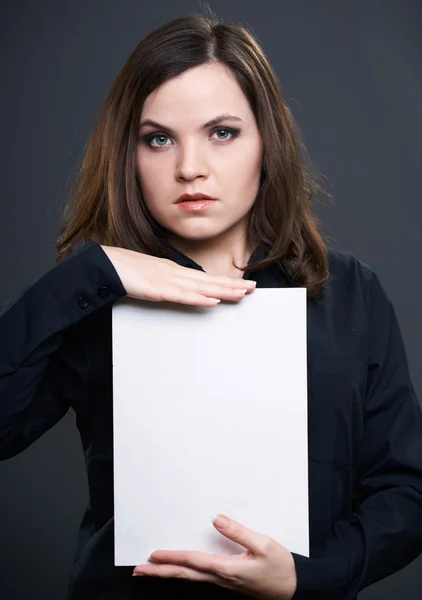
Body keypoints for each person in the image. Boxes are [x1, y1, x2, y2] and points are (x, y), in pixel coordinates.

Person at [1, 10, 422, 600]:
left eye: (221, 132)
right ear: (130, 153)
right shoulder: (95, 298)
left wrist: (306, 579)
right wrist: (94, 272)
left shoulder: (349, 291)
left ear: (264, 142)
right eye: (159, 138)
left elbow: (405, 490)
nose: (189, 167)